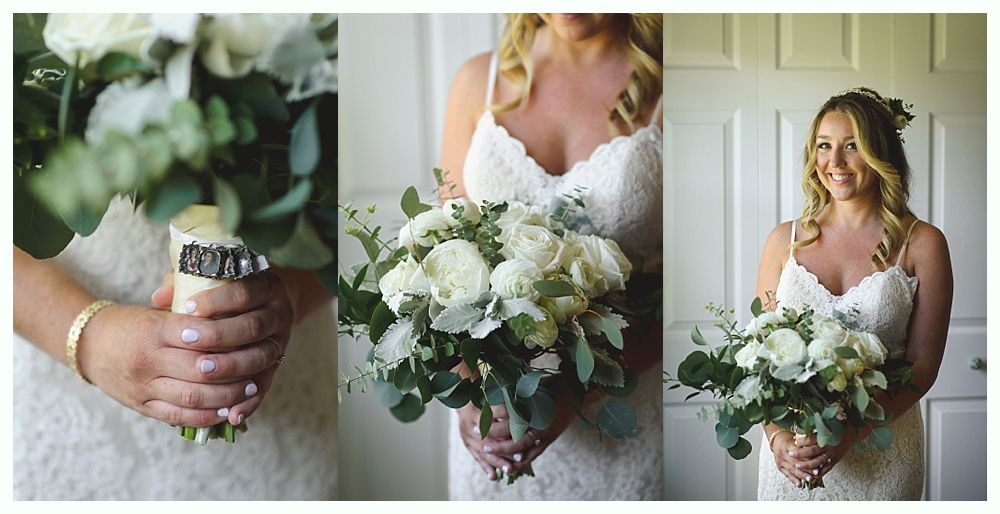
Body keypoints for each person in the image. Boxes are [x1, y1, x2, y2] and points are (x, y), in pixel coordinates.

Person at [438, 13, 663, 500]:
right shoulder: (478, 79)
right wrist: (467, 389)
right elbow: (441, 253)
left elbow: (691, 287)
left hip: (620, 421)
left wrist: (575, 392)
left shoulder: (673, 89)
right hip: (491, 426)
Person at [13, 197, 338, 500]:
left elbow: (343, 201)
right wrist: (88, 337)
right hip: (52, 345)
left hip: (284, 385)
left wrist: (290, 295)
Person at [753, 87, 953, 500]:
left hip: (883, 453)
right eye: (824, 146)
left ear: (880, 154)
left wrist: (851, 433)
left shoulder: (923, 244)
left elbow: (922, 366)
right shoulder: (782, 241)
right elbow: (760, 356)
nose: (835, 162)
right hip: (794, 458)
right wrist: (775, 438)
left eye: (852, 146)